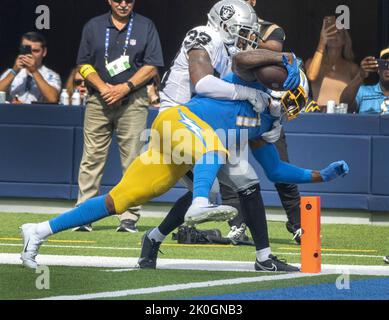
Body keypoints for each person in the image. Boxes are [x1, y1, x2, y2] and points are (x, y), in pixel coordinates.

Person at [20, 60, 349, 270]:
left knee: (119, 200)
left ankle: (39, 231)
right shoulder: (249, 85)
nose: (291, 108)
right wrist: (281, 61)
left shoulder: (264, 125)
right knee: (215, 148)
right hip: (178, 121)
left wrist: (321, 175)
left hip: (183, 145)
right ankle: (200, 204)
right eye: (292, 99)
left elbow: (276, 171)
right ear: (279, 87)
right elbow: (245, 60)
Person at [73, 0, 164, 233]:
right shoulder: (93, 26)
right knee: (91, 157)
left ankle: (129, 216)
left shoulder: (146, 25)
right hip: (97, 99)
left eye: (129, 1)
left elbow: (152, 65)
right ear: (109, 1)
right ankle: (83, 214)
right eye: (118, 0)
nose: (123, 5)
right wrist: (104, 88)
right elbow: (83, 64)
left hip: (133, 100)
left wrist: (124, 87)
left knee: (133, 159)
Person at [220, 0, 302, 244]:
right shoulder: (216, 30)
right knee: (228, 166)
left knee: (279, 166)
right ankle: (237, 223)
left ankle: (298, 223)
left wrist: (243, 37)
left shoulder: (269, 29)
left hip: (264, 107)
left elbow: (273, 50)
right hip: (231, 104)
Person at [305, 16, 359, 108]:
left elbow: (359, 96)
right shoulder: (312, 62)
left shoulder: (352, 68)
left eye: (338, 32)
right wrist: (322, 42)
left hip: (343, 116)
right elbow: (311, 76)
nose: (333, 35)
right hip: (318, 115)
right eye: (330, 32)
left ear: (344, 40)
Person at [0, 31, 61, 104]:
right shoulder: (11, 72)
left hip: (37, 114)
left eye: (35, 51)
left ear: (44, 52)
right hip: (11, 113)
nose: (30, 54)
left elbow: (53, 99)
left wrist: (34, 71)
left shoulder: (52, 75)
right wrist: (14, 71)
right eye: (27, 49)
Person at [340, 47, 389, 114]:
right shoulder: (363, 92)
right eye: (385, 64)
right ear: (378, 69)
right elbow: (344, 105)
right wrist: (360, 75)